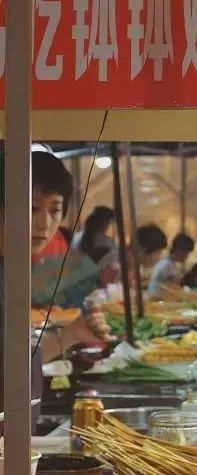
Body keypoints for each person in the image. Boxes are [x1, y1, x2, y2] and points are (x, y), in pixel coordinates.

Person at [0, 151, 108, 429]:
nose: (44, 223)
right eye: (33, 208)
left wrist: (70, 335)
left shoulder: (12, 271)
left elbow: (16, 362)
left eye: (55, 210)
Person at [147, 232, 194, 299]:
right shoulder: (167, 265)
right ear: (179, 250)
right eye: (186, 253)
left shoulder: (168, 263)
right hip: (156, 300)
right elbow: (173, 288)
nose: (187, 256)